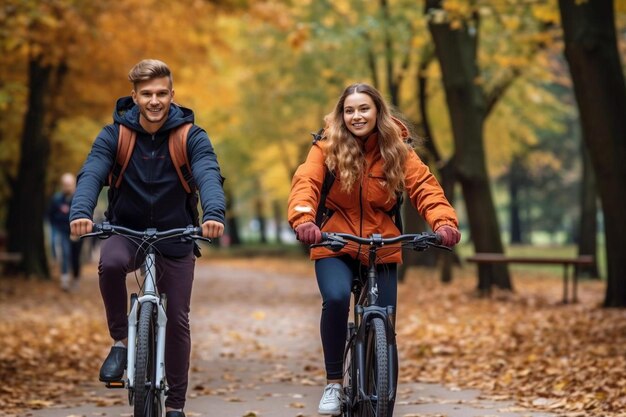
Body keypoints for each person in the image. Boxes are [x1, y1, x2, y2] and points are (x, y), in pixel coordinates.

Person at [287, 83, 461, 416]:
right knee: (336, 299)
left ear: (378, 111)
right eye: (349, 110)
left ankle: (379, 386)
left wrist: (443, 223)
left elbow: (425, 187)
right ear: (342, 115)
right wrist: (304, 219)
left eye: (364, 108)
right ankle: (334, 383)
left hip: (382, 243)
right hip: (335, 242)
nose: (356, 116)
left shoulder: (398, 150)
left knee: (385, 319)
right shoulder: (326, 148)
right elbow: (305, 183)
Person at [70, 59, 226, 417]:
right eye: (146, 94)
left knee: (179, 319)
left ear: (172, 94)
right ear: (134, 96)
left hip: (177, 233)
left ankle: (175, 406)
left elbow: (208, 174)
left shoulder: (191, 136)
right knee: (109, 264)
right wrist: (81, 212)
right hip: (126, 229)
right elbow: (92, 171)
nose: (154, 101)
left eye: (161, 93)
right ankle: (121, 343)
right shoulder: (115, 135)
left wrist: (214, 215)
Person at [48, 172, 83, 291]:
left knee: (75, 256)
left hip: (77, 232)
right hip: (62, 231)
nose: (67, 187)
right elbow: (50, 215)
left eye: (69, 184)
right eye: (65, 184)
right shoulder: (57, 199)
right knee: (65, 254)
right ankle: (65, 280)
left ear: (74, 185)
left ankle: (76, 278)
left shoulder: (79, 199)